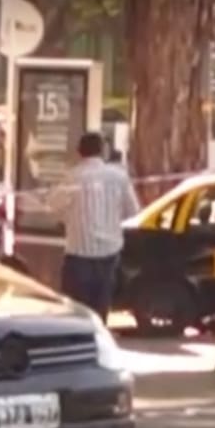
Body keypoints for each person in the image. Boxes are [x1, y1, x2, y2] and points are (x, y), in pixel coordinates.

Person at [46, 131, 140, 322]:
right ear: (103, 151)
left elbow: (52, 207)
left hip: (78, 254)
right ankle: (98, 343)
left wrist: (69, 217)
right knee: (101, 309)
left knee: (77, 312)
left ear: (79, 152)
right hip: (109, 254)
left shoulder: (72, 177)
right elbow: (133, 211)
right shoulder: (119, 177)